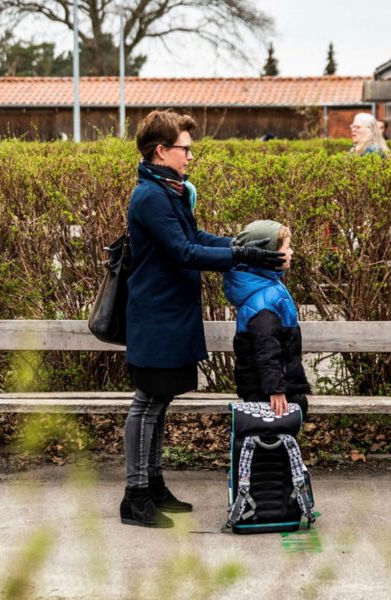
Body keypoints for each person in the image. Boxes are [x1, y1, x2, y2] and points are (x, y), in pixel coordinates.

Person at [121, 109, 286, 528]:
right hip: (156, 315)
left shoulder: (169, 190)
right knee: (147, 403)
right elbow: (183, 252)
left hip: (171, 314)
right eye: (185, 148)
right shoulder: (150, 196)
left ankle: (153, 484)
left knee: (160, 402)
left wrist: (238, 244)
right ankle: (135, 495)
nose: (191, 156)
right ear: (161, 151)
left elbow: (194, 239)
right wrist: (242, 255)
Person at [223, 220, 311, 418]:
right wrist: (276, 389)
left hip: (271, 386)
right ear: (269, 256)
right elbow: (266, 348)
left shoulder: (266, 286)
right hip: (266, 392)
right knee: (275, 433)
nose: (292, 252)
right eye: (287, 248)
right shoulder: (263, 301)